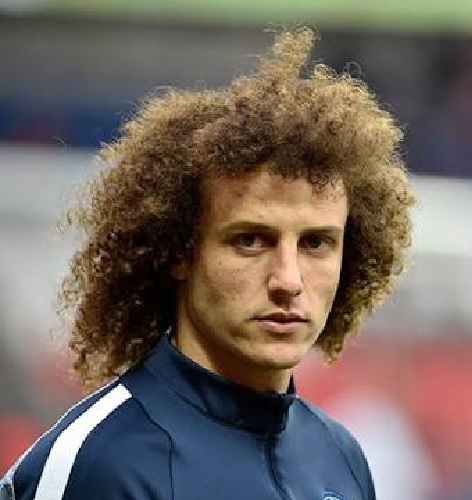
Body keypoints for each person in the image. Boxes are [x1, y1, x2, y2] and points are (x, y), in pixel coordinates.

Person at [1, 27, 414, 500]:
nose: (288, 280)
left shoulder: (341, 458)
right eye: (250, 241)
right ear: (179, 251)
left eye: (316, 243)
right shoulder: (100, 465)